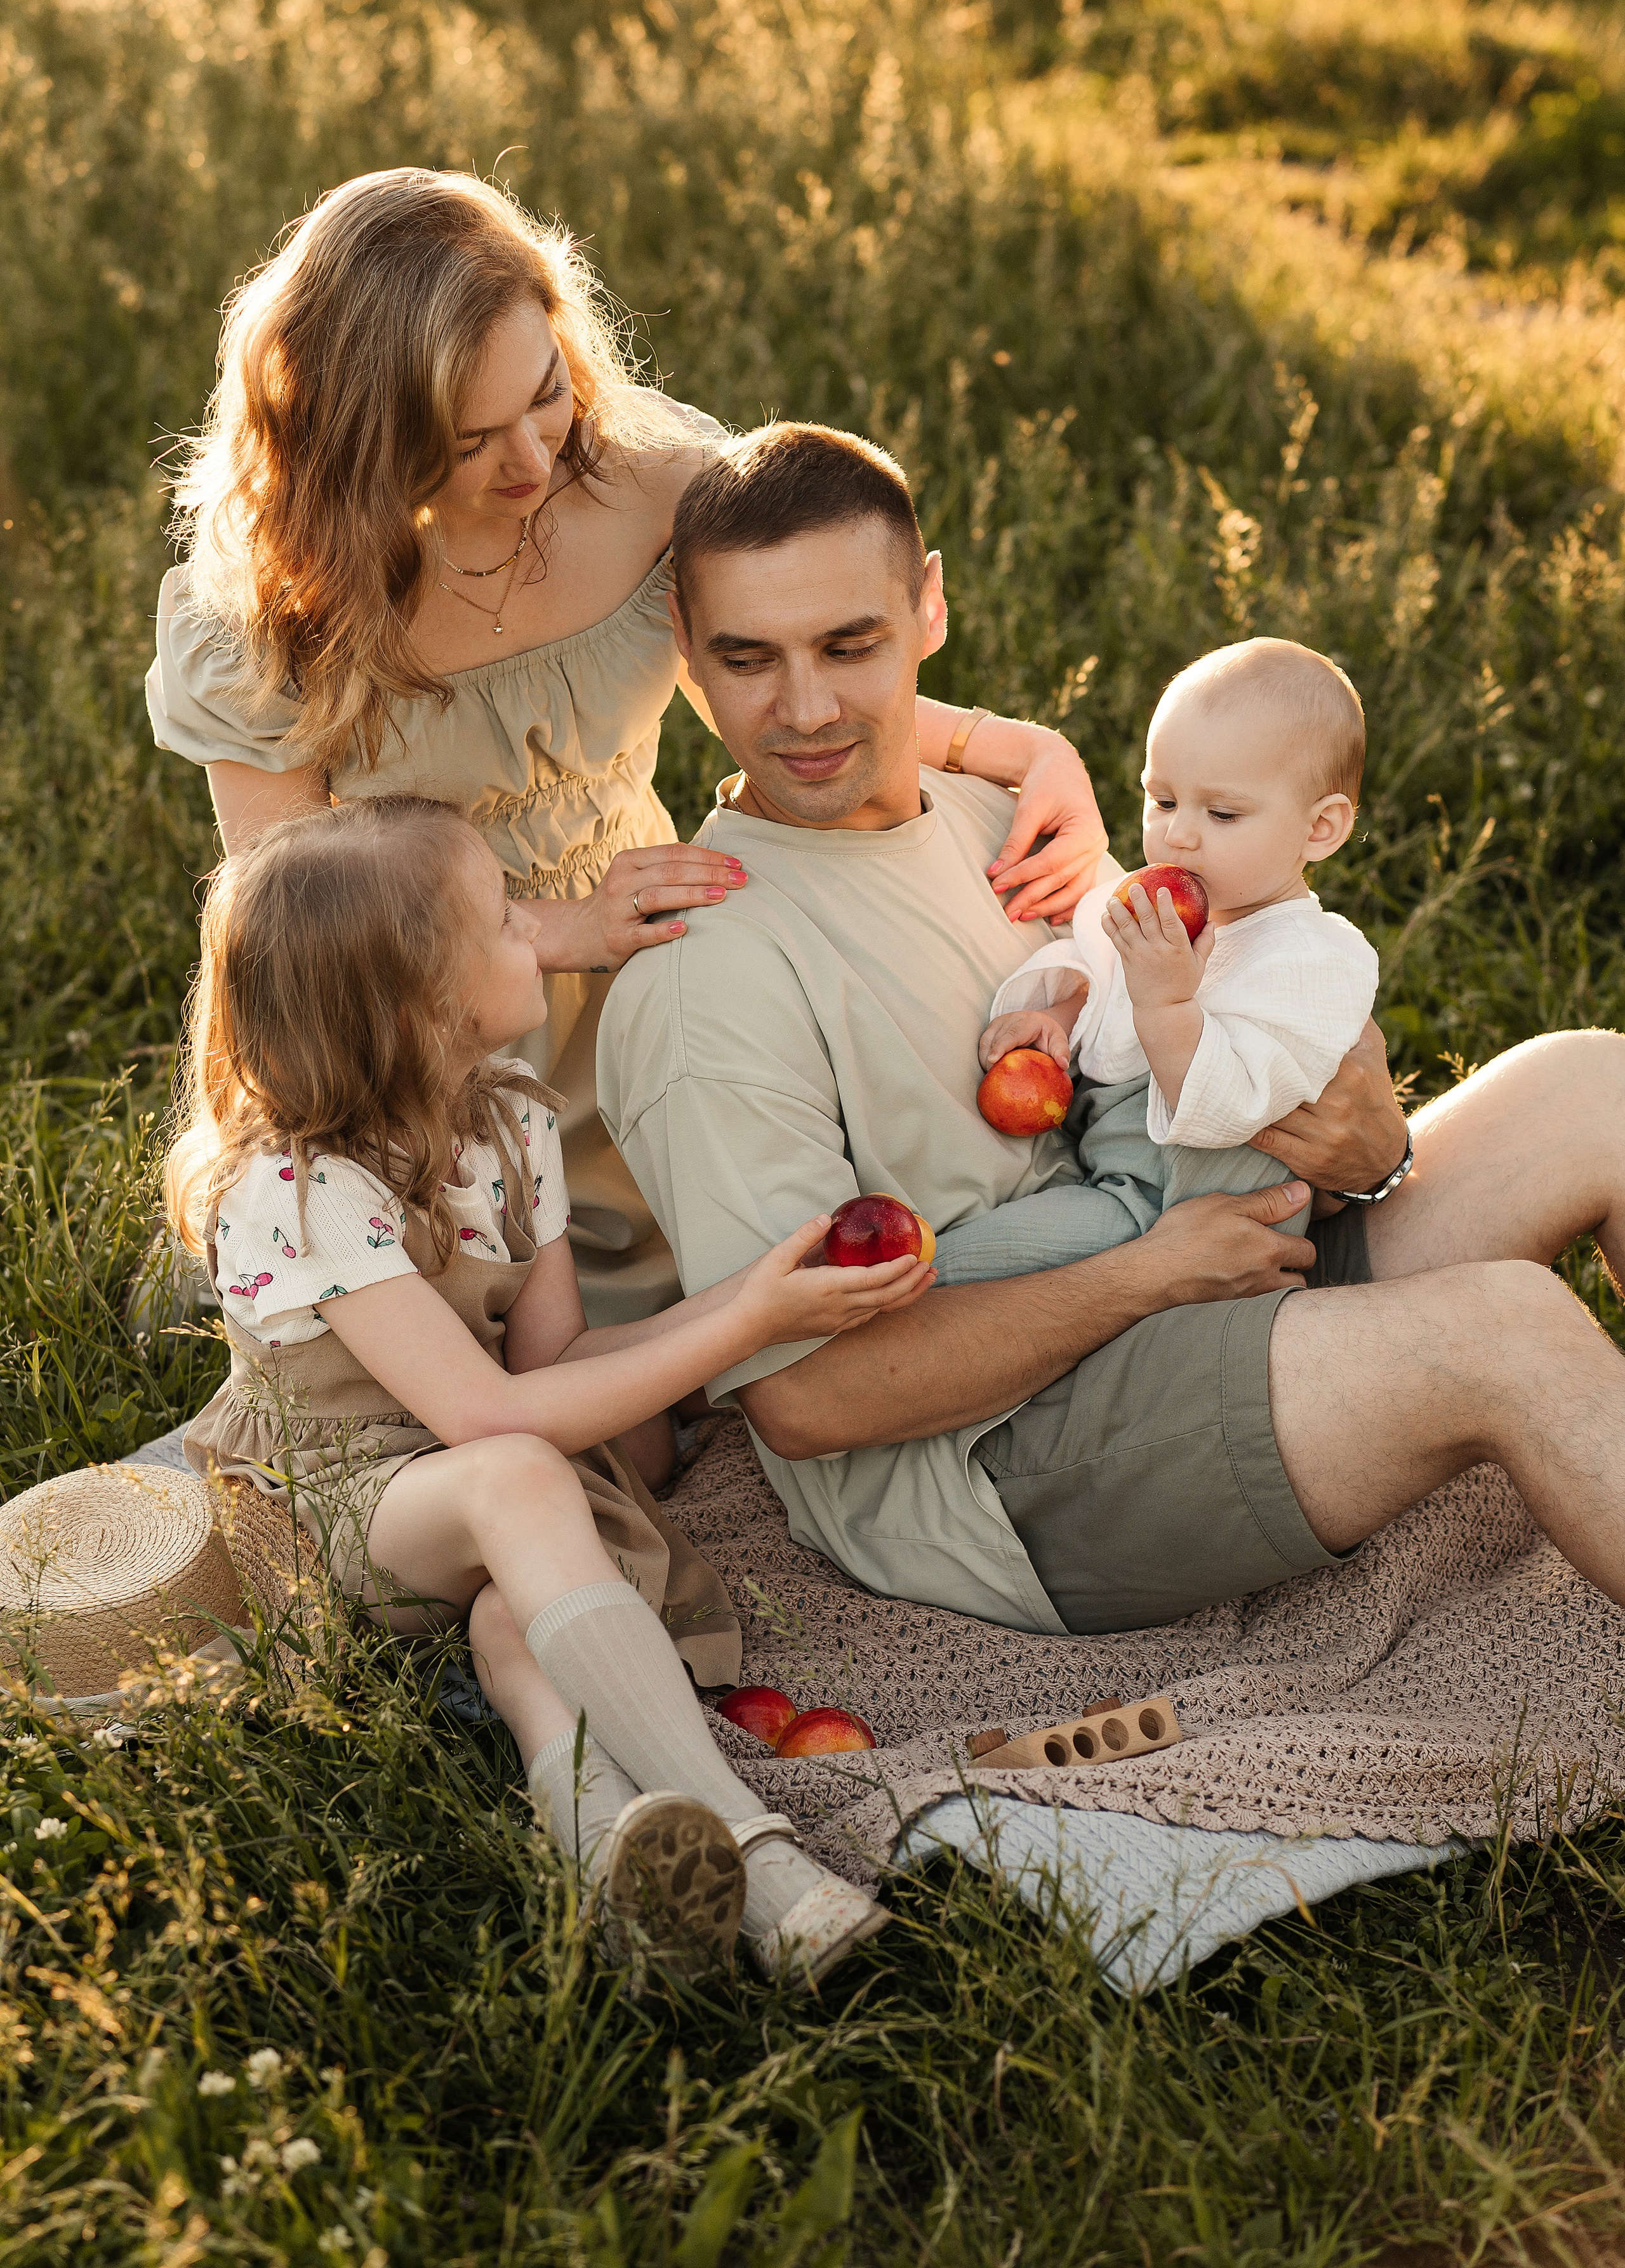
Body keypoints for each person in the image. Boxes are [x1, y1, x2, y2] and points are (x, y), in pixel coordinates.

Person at [597, 420, 1625, 1639]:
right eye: (749, 657)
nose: (807, 707)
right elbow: (812, 1398)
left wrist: (1372, 1156)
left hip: (1208, 1251)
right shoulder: (705, 972)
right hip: (997, 1461)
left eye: (851, 642)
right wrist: (1152, 1276)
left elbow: (1192, 1039)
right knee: (1504, 1329)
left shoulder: (1004, 818)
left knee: (1596, 1082)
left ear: (929, 608)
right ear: (685, 650)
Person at [145, 167, 1110, 1334]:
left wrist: (1020, 749)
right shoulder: (265, 602)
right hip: (420, 1023)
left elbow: (773, 681)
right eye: (468, 442)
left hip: (653, 952)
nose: (534, 462)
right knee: (489, 1365)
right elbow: (291, 926)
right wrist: (555, 929)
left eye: (546, 395)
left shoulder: (651, 480)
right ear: (366, 439)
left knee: (760, 1268)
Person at [166, 795, 924, 1979]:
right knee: (522, 1474)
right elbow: (491, 1419)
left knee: (518, 1621)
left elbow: (554, 1368)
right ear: (424, 1004)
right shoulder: (302, 1187)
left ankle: (611, 1857)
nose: (540, 927)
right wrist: (742, 1327)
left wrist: (752, 1300)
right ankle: (757, 1845)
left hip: (479, 1495)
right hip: (333, 1512)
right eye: (506, 916)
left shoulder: (513, 1115)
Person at [935, 637, 1379, 1283]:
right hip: (1118, 1181)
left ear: (1320, 829)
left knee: (959, 1265)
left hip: (1178, 1213)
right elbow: (1107, 977)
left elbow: (1231, 1105)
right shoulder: (1170, 911)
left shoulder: (1313, 961)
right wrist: (1062, 1015)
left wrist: (1167, 1002)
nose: (1178, 833)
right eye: (1163, 800)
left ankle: (898, 1301)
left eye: (1222, 812)